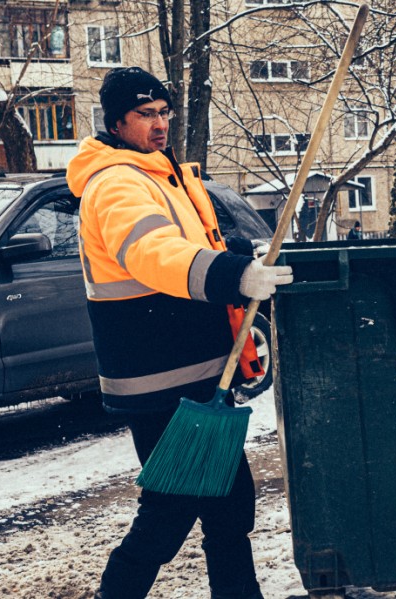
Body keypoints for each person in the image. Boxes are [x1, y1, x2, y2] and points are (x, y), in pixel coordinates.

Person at [66, 66, 291, 599]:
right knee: (170, 512)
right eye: (146, 114)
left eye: (164, 112)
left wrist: (237, 256)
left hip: (193, 373)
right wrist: (230, 277)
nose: (160, 123)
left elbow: (187, 241)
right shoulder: (116, 183)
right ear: (116, 121)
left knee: (228, 504)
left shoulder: (158, 174)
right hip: (158, 380)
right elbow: (151, 252)